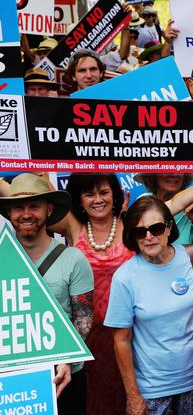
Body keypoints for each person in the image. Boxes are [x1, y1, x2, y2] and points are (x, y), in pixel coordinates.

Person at [105, 196, 193, 415]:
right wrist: (133, 395)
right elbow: (121, 340)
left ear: (168, 228)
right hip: (153, 391)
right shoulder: (124, 278)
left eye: (155, 228)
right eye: (140, 232)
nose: (149, 237)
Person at [0, 174, 94, 415]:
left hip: (63, 376)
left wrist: (67, 359)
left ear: (49, 209)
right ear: (10, 212)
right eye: (19, 207)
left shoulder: (73, 259)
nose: (26, 213)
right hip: (13, 379)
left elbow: (84, 318)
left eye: (34, 206)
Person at [60, 174, 134, 415]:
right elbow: (29, 203)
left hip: (130, 335)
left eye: (104, 192)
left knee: (132, 398)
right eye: (89, 194)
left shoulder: (131, 223)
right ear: (79, 201)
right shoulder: (73, 226)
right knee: (92, 402)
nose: (98, 199)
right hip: (86, 336)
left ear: (115, 195)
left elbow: (171, 207)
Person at [134, 172, 193, 291]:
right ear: (153, 176)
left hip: (190, 283)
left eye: (179, 170)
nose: (173, 174)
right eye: (167, 169)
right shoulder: (144, 201)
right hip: (152, 282)